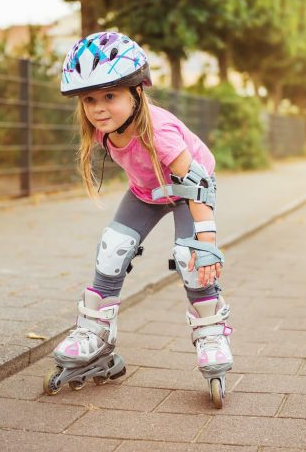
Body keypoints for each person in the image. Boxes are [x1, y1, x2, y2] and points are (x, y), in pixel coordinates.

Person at [42, 31, 233, 407]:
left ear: (137, 92)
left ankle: (212, 334)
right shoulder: (102, 130)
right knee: (112, 249)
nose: (98, 108)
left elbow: (196, 184)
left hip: (186, 192)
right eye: (89, 99)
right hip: (148, 192)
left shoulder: (158, 130)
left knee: (190, 259)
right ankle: (95, 335)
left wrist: (207, 244)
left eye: (110, 96)